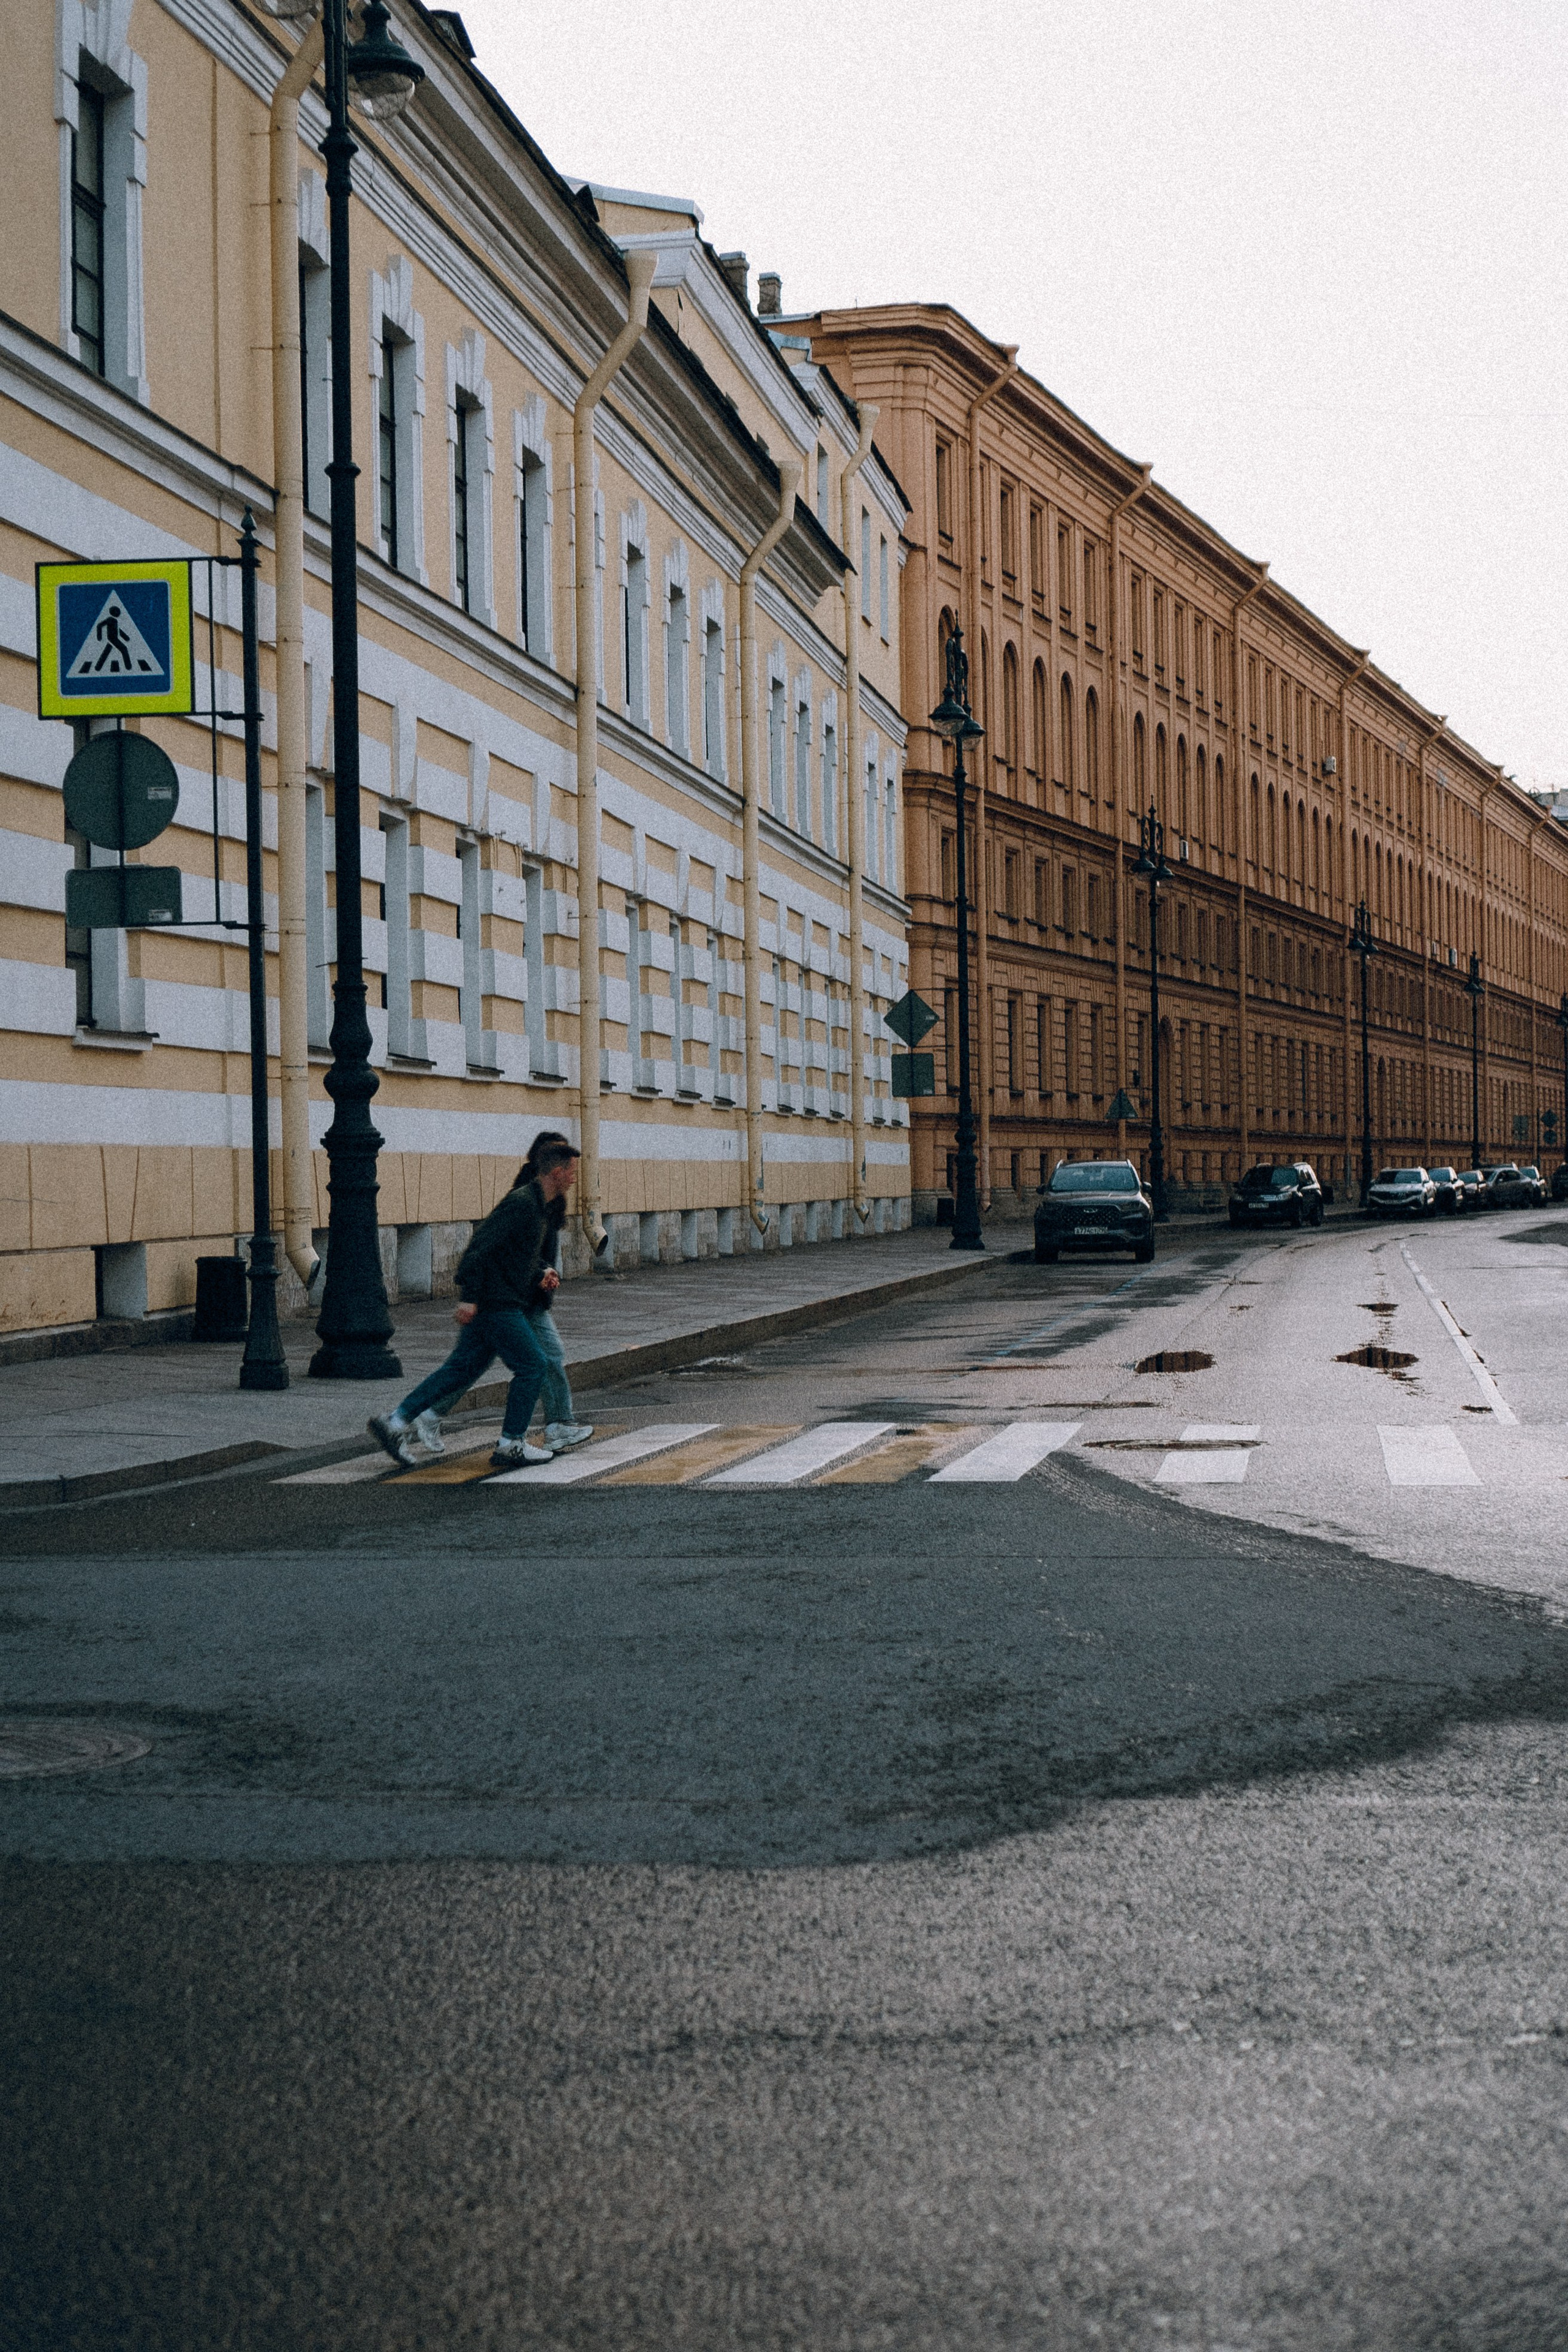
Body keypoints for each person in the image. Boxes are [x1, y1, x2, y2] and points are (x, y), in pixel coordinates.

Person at [368, 1139, 580, 1471]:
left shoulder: (539, 1205)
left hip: (500, 1299)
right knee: (534, 1366)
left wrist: (540, 1272)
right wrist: (469, 1296)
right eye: (571, 1173)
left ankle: (395, 1423)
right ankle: (512, 1443)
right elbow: (481, 1247)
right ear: (556, 1172)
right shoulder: (523, 1203)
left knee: (461, 1369)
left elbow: (513, 1253)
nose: (574, 1179)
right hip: (496, 1303)